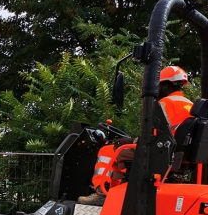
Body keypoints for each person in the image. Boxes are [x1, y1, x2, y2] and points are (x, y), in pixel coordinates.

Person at [78, 65, 194, 206]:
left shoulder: (164, 104)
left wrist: (131, 140)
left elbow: (154, 136)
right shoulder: (190, 106)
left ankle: (102, 194)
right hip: (176, 154)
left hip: (160, 152)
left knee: (107, 151)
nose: (157, 89)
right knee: (125, 153)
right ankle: (119, 192)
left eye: (159, 85)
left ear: (166, 85)